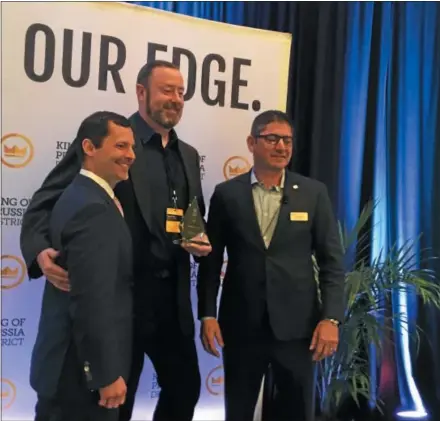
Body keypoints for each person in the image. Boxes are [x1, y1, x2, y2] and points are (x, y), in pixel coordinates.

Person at [20, 60, 211, 421]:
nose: (175, 99)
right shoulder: (112, 141)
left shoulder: (188, 155)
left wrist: (197, 237)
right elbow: (44, 204)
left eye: (181, 92)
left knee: (186, 390)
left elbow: (190, 215)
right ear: (141, 92)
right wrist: (39, 250)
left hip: (172, 304)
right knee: (115, 404)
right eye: (167, 90)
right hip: (122, 303)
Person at [197, 110, 345, 421]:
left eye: (287, 140)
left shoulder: (312, 193)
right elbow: (210, 261)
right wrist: (208, 314)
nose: (281, 146)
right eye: (272, 139)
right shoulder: (227, 195)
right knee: (237, 410)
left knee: (296, 411)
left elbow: (332, 262)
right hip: (242, 325)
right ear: (252, 143)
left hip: (298, 329)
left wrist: (331, 318)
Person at [29, 111, 136, 421]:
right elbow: (92, 300)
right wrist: (104, 374)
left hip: (67, 370)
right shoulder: (92, 208)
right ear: (89, 147)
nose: (129, 155)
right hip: (78, 377)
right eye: (120, 146)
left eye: (131, 148)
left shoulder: (81, 196)